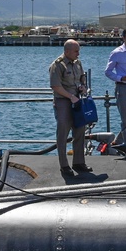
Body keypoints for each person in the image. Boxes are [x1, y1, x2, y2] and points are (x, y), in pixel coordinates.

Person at [49, 38, 91, 177]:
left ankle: (79, 162)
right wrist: (70, 96)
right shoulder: (58, 65)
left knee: (80, 130)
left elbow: (82, 78)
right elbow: (56, 86)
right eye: (76, 51)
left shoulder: (77, 63)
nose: (78, 54)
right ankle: (64, 165)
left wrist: (82, 87)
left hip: (77, 101)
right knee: (63, 132)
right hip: (63, 102)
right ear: (67, 51)